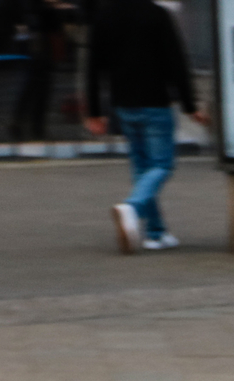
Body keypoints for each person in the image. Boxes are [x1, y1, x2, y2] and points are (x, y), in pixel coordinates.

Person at [83, 0, 200, 253]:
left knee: (142, 169)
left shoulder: (104, 15)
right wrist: (190, 105)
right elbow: (176, 61)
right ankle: (132, 207)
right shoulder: (157, 14)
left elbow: (92, 67)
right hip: (155, 101)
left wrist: (94, 111)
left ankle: (156, 233)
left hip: (123, 105)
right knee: (161, 165)